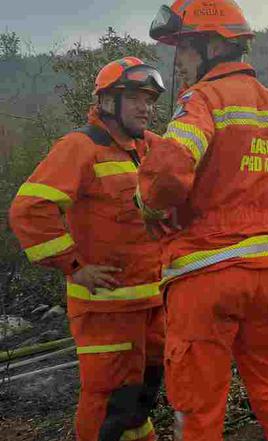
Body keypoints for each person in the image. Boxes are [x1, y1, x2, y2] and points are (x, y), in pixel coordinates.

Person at [137, 1, 268, 439]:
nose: (177, 60)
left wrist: (150, 209)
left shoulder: (202, 100)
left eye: (183, 47)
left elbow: (166, 172)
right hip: (267, 275)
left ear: (214, 45)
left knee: (198, 409)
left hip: (204, 275)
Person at [10, 57, 166, 441]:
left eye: (150, 99)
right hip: (106, 308)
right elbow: (30, 209)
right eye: (135, 98)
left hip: (153, 303)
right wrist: (73, 265)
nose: (146, 107)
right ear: (108, 102)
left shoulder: (151, 147)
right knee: (109, 404)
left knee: (142, 399)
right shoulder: (80, 147)